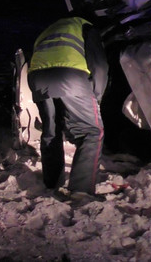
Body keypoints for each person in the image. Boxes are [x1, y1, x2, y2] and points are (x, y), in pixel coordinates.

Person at [27, 14, 108, 204]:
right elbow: (100, 66)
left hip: (37, 79)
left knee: (51, 131)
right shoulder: (87, 27)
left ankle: (51, 182)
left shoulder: (50, 29)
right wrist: (97, 97)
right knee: (92, 131)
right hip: (70, 76)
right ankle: (81, 191)